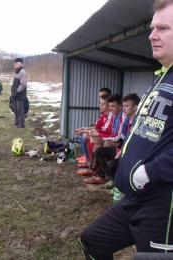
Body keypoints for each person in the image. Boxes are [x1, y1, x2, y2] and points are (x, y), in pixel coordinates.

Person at [80, 1, 173, 258]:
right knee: (92, 241)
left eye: (163, 28)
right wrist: (127, 149)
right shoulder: (162, 76)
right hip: (134, 198)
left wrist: (148, 171)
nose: (152, 35)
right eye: (153, 28)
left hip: (163, 206)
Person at [85, 93, 140, 187]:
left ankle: (107, 177)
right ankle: (104, 175)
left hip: (130, 152)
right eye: (124, 106)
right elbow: (112, 133)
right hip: (123, 147)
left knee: (106, 143)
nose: (123, 108)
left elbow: (119, 138)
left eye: (126, 106)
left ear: (135, 107)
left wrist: (99, 134)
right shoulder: (125, 118)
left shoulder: (132, 120)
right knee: (99, 148)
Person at [74, 88, 112, 163]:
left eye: (103, 104)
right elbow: (96, 126)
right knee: (87, 135)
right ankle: (89, 159)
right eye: (100, 103)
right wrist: (83, 129)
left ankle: (93, 163)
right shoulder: (103, 114)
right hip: (104, 134)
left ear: (109, 105)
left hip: (110, 137)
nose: (100, 106)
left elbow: (104, 131)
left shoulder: (111, 115)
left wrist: (84, 130)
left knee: (92, 137)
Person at [11, 58, 27, 128]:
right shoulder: (17, 72)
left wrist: (17, 91)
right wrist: (12, 91)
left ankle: (21, 123)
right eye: (14, 63)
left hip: (20, 94)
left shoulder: (22, 72)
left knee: (20, 109)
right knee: (16, 109)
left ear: (20, 64)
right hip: (15, 94)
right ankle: (17, 122)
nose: (15, 64)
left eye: (16, 63)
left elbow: (23, 84)